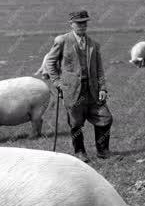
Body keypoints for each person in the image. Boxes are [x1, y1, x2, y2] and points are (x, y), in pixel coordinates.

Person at [45, 10, 112, 162]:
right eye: (79, 23)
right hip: (72, 89)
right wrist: (57, 82)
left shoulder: (93, 44)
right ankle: (80, 152)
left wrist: (103, 88)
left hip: (93, 90)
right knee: (75, 123)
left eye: (85, 23)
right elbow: (50, 62)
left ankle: (103, 151)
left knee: (105, 118)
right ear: (71, 24)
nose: (82, 26)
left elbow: (99, 68)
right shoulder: (62, 41)